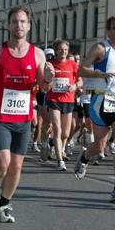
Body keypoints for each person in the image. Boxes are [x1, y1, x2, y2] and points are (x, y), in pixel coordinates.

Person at [0, 6, 54, 223]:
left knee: (16, 165)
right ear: (8, 25)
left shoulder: (37, 54)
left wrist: (48, 78)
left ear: (28, 26)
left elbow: (45, 88)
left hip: (24, 118)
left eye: (22, 22)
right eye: (14, 21)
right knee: (3, 161)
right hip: (0, 116)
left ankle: (4, 204)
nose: (18, 25)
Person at [74, 15, 115, 204]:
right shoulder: (100, 48)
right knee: (100, 145)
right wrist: (98, 73)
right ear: (108, 30)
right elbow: (80, 70)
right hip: (101, 102)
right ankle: (84, 157)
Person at [45, 40, 82, 171]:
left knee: (66, 133)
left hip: (68, 100)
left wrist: (75, 86)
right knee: (57, 128)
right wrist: (49, 78)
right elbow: (45, 83)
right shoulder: (50, 64)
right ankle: (60, 160)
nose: (63, 52)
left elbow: (80, 80)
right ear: (56, 50)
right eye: (61, 49)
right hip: (54, 99)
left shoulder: (72, 64)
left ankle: (56, 145)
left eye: (65, 50)